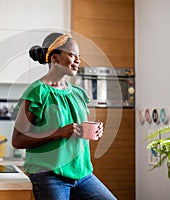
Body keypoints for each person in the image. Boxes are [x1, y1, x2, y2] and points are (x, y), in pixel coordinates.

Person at [12, 32, 116, 200]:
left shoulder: (78, 93)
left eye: (79, 57)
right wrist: (57, 133)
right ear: (54, 58)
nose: (78, 60)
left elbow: (76, 128)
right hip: (49, 176)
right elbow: (17, 140)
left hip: (82, 173)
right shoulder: (37, 92)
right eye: (73, 55)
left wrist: (93, 130)